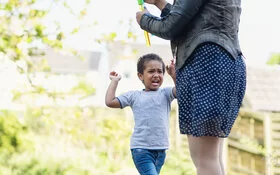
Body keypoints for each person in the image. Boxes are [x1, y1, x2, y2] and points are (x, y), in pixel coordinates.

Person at [136, 0, 246, 175]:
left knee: (204, 159)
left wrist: (143, 19)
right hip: (225, 63)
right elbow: (192, 21)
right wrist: (160, 4)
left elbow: (170, 27)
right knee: (211, 157)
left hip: (207, 65)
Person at [105, 53, 176, 175]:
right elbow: (110, 101)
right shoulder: (134, 96)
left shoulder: (166, 93)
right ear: (140, 75)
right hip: (141, 149)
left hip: (161, 150)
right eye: (151, 71)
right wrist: (114, 81)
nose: (156, 75)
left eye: (159, 71)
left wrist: (174, 75)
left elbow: (182, 91)